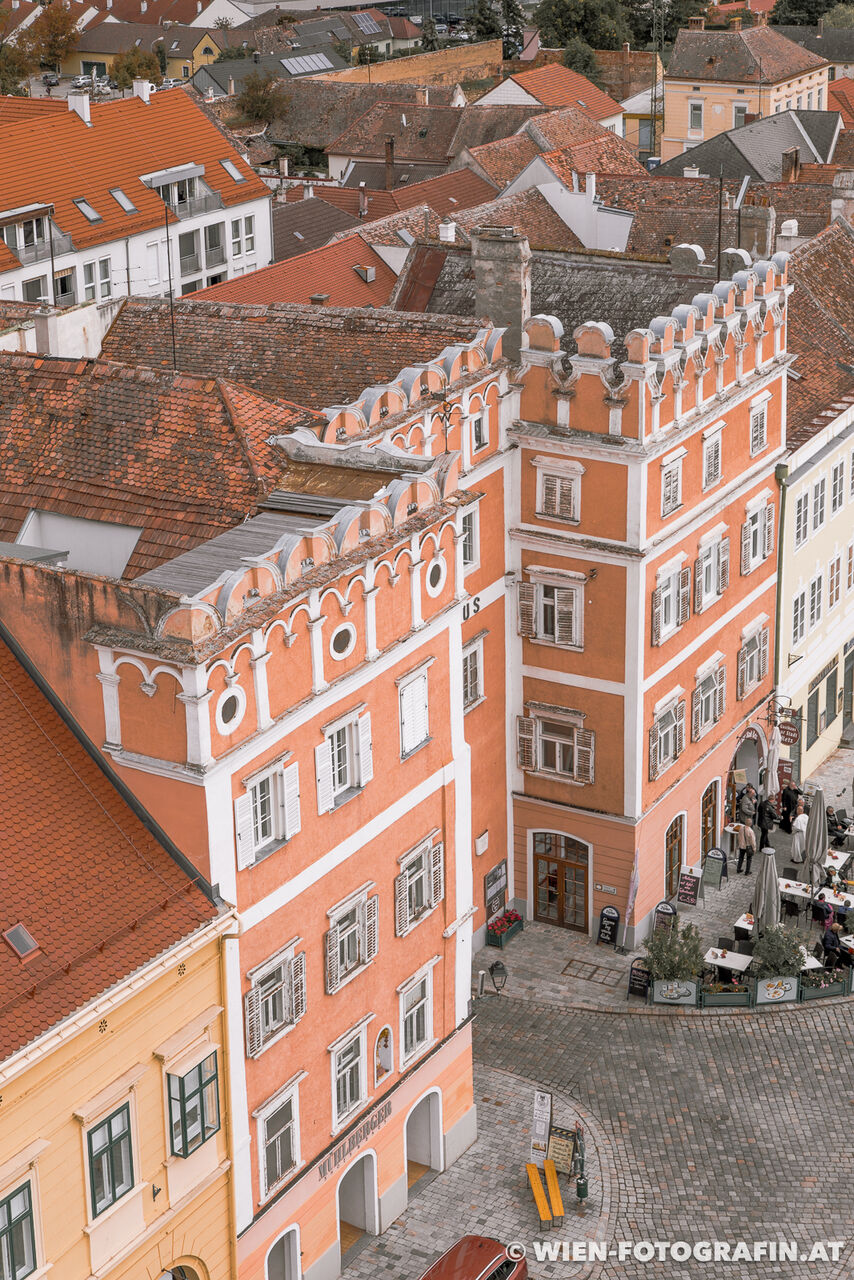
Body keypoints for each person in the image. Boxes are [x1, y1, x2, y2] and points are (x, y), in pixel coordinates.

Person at [737, 785, 757, 873]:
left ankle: (738, 869)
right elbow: (752, 840)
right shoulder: (750, 831)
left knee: (741, 857)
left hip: (742, 845)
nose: (754, 795)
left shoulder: (741, 828)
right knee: (749, 859)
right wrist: (754, 848)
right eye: (753, 794)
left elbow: (739, 836)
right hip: (748, 846)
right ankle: (747, 871)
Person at [791, 800, 808, 864]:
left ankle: (797, 859)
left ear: (798, 811)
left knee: (797, 847)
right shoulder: (806, 817)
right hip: (805, 834)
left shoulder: (798, 819)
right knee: (803, 847)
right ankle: (803, 858)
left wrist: (793, 831)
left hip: (798, 834)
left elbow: (795, 827)